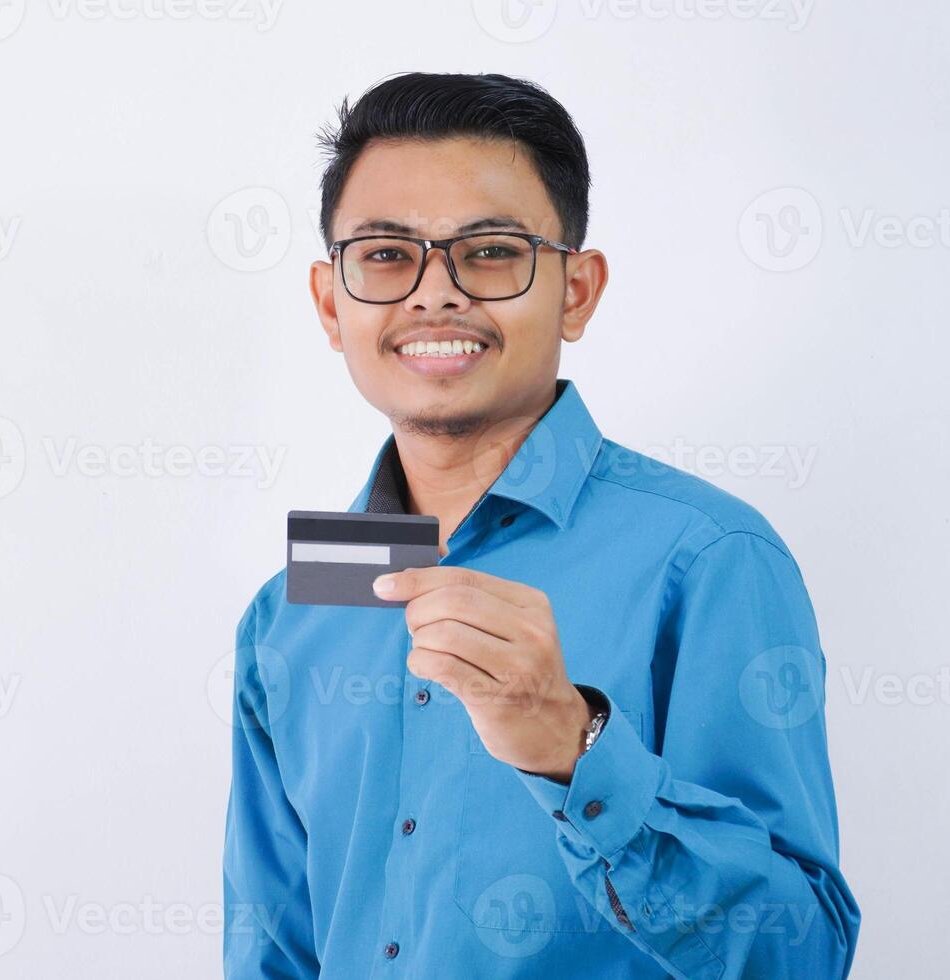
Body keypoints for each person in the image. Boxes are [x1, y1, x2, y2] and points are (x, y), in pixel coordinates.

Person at [222, 71, 860, 979]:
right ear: (332, 303)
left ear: (577, 290)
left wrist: (575, 751)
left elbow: (803, 956)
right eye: (386, 254)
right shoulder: (289, 610)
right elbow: (273, 951)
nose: (433, 295)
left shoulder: (711, 561)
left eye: (489, 251)